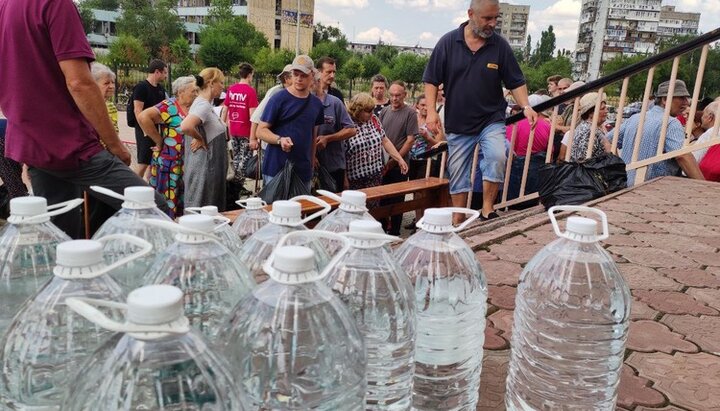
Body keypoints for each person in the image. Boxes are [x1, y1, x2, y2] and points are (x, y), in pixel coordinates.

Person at [0, 0, 166, 239]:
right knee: (152, 209)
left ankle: (72, 274)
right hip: (69, 143)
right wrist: (115, 146)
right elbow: (80, 83)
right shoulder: (54, 4)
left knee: (60, 233)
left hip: (33, 143)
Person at [423, 0, 537, 222]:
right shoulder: (448, 43)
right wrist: (431, 112)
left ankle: (487, 209)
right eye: (487, 18)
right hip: (459, 120)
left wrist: (526, 106)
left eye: (496, 18)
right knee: (457, 171)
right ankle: (458, 218)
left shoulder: (500, 46)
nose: (493, 23)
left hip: (491, 118)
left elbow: (516, 81)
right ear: (471, 14)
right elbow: (430, 80)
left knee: (496, 155)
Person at [256, 55, 324, 193]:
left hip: (302, 171)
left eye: (303, 75)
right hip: (276, 169)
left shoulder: (316, 104)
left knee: (299, 212)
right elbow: (260, 130)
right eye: (296, 74)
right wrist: (279, 140)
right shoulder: (278, 99)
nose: (299, 78)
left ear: (312, 75)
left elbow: (313, 135)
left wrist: (310, 164)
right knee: (275, 213)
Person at [618, 79, 704, 184]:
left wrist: (617, 168)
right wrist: (705, 186)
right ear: (665, 99)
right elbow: (682, 156)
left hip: (624, 186)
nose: (686, 102)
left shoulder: (636, 118)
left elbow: (607, 141)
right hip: (651, 189)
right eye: (682, 98)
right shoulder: (671, 123)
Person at [138, 76, 198, 219]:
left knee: (182, 202)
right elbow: (143, 117)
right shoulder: (170, 106)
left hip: (186, 163)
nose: (196, 94)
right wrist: (158, 141)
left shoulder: (195, 107)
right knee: (166, 201)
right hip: (169, 163)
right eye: (193, 91)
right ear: (180, 92)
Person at [180, 68, 228, 210]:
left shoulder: (204, 104)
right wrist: (200, 138)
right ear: (211, 83)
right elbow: (186, 126)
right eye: (221, 82)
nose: (223, 86)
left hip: (208, 167)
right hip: (205, 168)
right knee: (201, 207)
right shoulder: (203, 105)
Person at [344, 93, 408, 198]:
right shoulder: (347, 124)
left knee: (374, 208)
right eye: (368, 111)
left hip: (375, 175)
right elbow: (342, 154)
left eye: (372, 110)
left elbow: (385, 140)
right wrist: (344, 179)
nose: (371, 113)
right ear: (358, 110)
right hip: (355, 178)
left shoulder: (373, 119)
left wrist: (399, 159)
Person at [379, 81, 418, 235]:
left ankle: (395, 232)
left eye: (398, 95)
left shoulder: (410, 113)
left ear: (404, 95)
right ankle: (382, 230)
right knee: (382, 199)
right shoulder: (385, 111)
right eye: (392, 95)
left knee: (397, 200)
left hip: (399, 165)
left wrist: (394, 160)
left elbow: (410, 140)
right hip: (384, 163)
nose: (394, 98)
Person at [313, 70, 356, 192]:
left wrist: (328, 138)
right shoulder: (302, 103)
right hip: (310, 168)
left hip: (333, 166)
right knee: (311, 208)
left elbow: (351, 130)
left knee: (333, 206)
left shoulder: (334, 102)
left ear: (317, 81)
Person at [407, 93, 445, 225]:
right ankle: (417, 220)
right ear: (417, 105)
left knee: (425, 193)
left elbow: (440, 143)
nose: (425, 108)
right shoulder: (412, 119)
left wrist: (427, 138)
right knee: (415, 192)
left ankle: (426, 221)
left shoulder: (435, 121)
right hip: (412, 160)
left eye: (427, 105)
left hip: (428, 161)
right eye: (422, 105)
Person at [222, 62, 258, 194]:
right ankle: (237, 185)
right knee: (245, 158)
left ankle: (233, 184)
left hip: (233, 129)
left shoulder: (231, 89)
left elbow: (225, 110)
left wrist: (223, 126)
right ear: (249, 75)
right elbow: (253, 115)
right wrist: (255, 135)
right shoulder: (250, 91)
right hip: (246, 130)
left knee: (236, 157)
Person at [131, 59, 168, 178]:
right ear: (157, 72)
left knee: (153, 160)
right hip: (145, 129)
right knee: (144, 161)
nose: (166, 76)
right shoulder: (141, 87)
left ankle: (150, 187)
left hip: (156, 127)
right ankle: (133, 186)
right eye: (165, 72)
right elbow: (137, 110)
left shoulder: (160, 89)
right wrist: (144, 130)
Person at [559, 92, 612, 162]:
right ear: (590, 113)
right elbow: (583, 161)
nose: (606, 111)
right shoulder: (588, 131)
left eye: (606, 108)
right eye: (602, 109)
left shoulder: (591, 127)